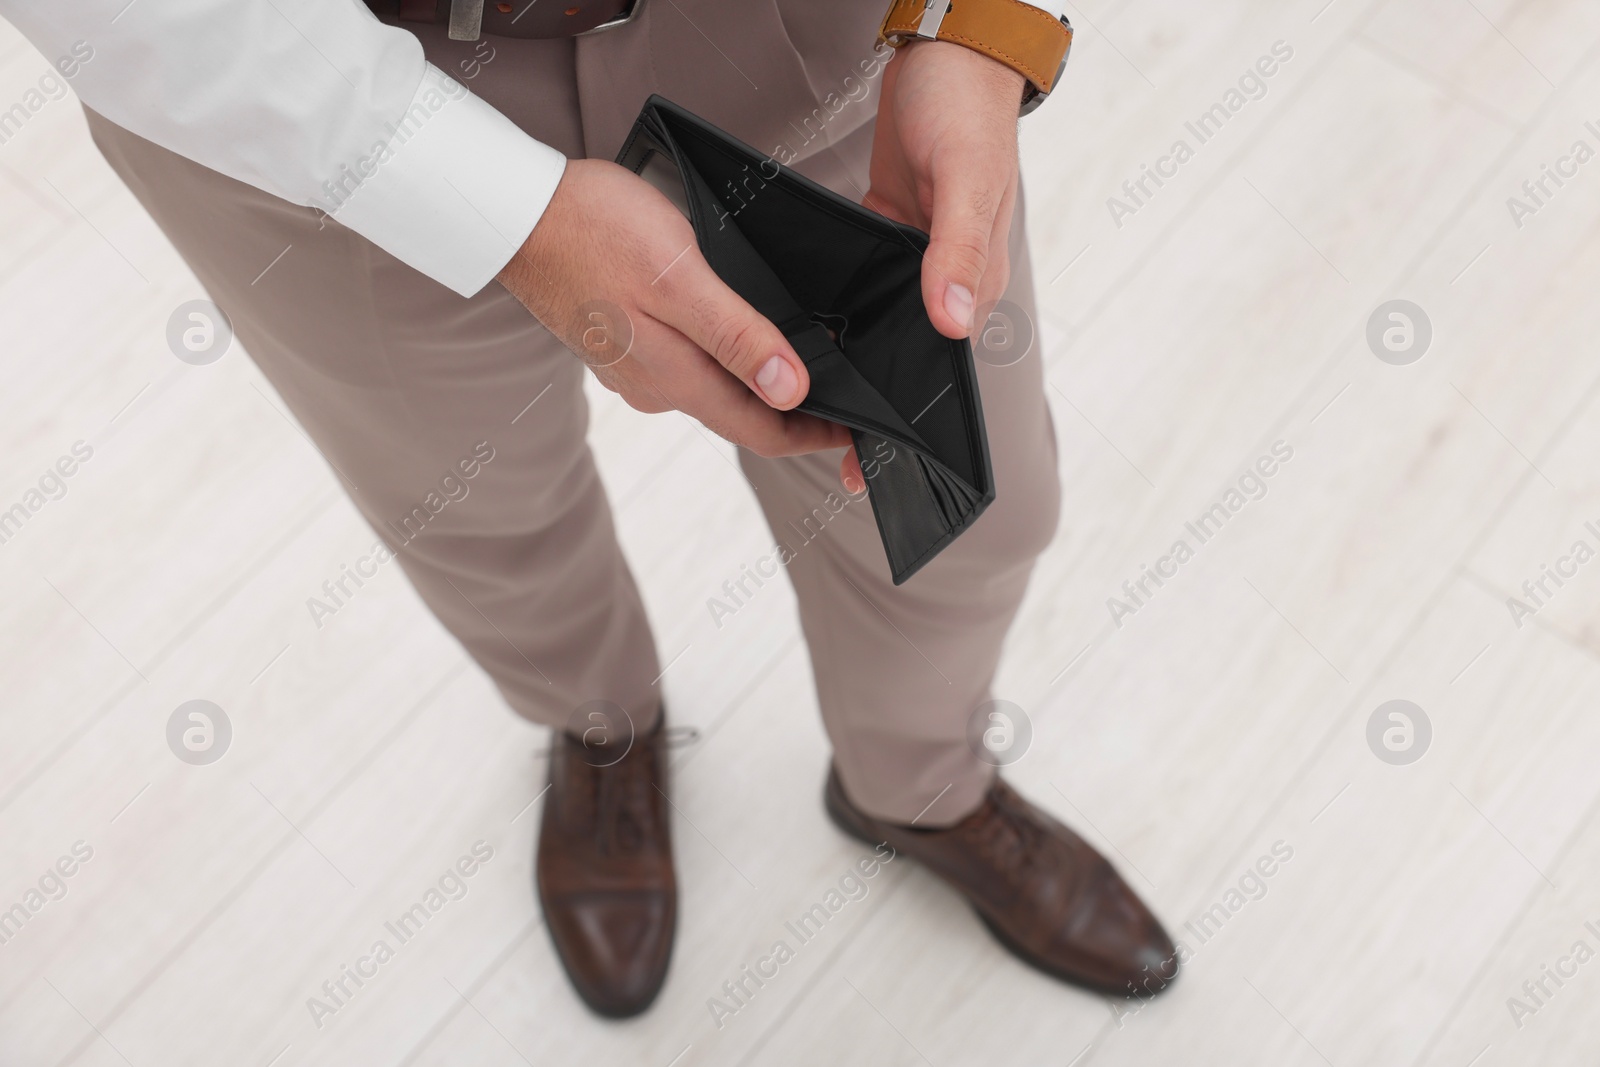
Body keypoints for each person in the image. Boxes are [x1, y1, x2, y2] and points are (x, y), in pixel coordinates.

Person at [2, 0, 1178, 1017]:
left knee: (962, 498)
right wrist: (464, 188)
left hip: (806, 32)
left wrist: (975, 19)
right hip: (305, 84)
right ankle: (600, 726)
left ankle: (921, 786)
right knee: (473, 511)